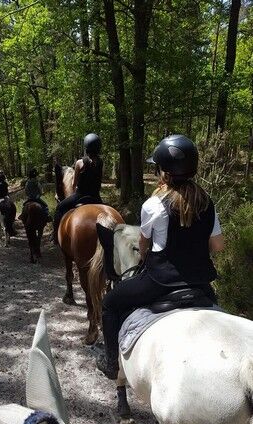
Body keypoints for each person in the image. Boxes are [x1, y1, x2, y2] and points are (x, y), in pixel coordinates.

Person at [96, 134, 225, 380]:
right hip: (200, 283)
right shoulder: (208, 203)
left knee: (110, 303)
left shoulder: (154, 205)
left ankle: (112, 363)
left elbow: (144, 245)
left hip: (160, 281)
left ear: (164, 172)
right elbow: (217, 245)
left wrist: (146, 255)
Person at [52, 133, 103, 243]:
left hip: (80, 196)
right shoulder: (100, 162)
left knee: (59, 208)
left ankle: (55, 236)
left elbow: (74, 184)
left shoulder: (80, 163)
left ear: (86, 147)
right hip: (96, 197)